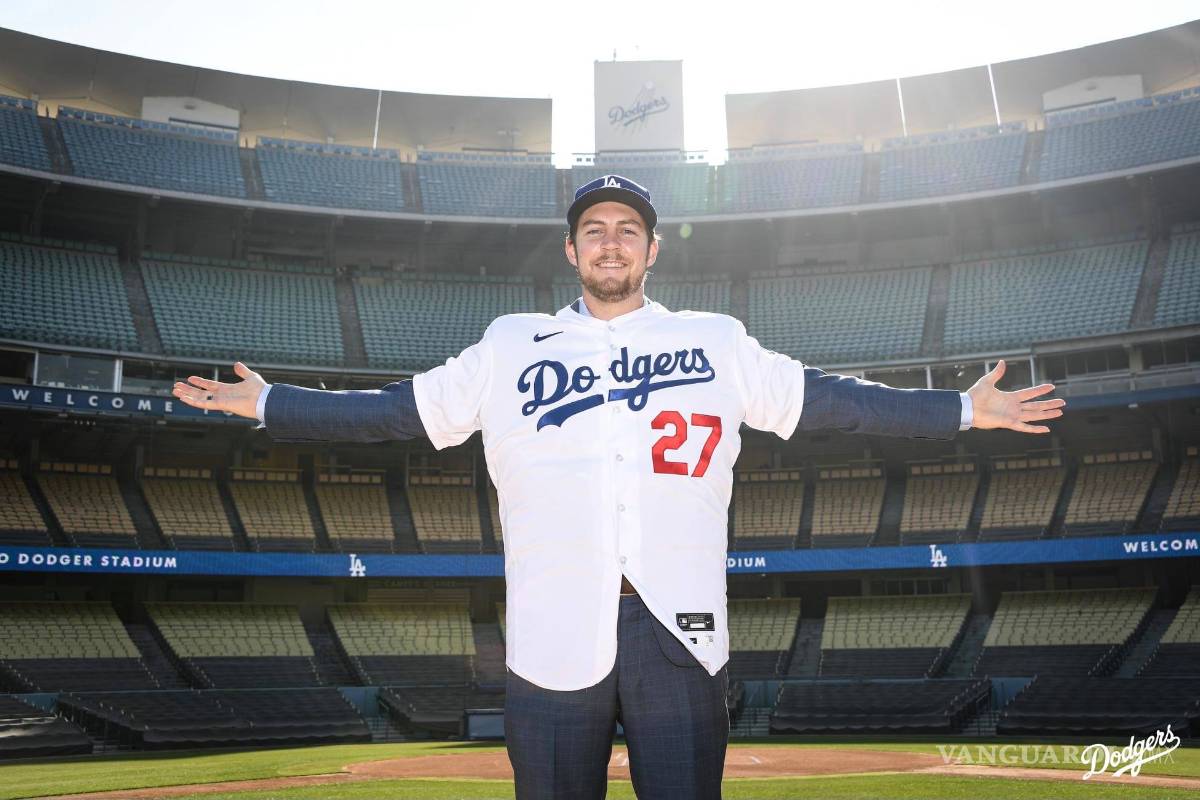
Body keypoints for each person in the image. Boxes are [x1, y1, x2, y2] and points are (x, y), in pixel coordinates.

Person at [173, 175, 1066, 799]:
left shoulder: (715, 340)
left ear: (652, 249)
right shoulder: (510, 343)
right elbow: (392, 413)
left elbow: (830, 403)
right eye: (595, 229)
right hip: (552, 629)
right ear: (571, 249)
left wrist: (957, 410)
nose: (611, 242)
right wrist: (273, 405)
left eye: (627, 230)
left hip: (678, 626)